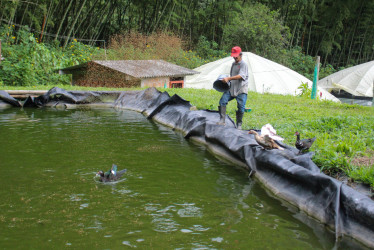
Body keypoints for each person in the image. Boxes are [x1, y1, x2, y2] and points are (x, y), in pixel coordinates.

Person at [217, 46, 249, 130]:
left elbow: (240, 76)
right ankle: (222, 120)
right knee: (222, 101)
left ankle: (239, 124)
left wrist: (229, 78)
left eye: (236, 56)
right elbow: (232, 76)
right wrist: (226, 80)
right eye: (234, 56)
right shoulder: (233, 64)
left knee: (241, 106)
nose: (235, 57)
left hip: (241, 89)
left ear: (241, 55)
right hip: (232, 88)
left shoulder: (243, 64)